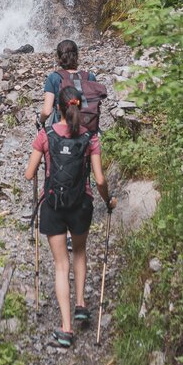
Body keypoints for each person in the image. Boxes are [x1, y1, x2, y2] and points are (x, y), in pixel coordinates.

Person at [25, 85, 115, 347]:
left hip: (53, 204)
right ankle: (81, 304)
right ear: (78, 107)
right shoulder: (90, 138)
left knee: (60, 265)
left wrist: (43, 162)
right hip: (81, 204)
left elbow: (29, 174)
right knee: (79, 252)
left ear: (58, 109)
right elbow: (99, 179)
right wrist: (108, 200)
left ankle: (66, 329)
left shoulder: (46, 134)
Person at [40, 39, 97, 129]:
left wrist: (40, 121)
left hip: (61, 131)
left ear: (59, 58)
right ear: (77, 56)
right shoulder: (90, 77)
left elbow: (47, 111)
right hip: (86, 129)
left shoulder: (53, 78)